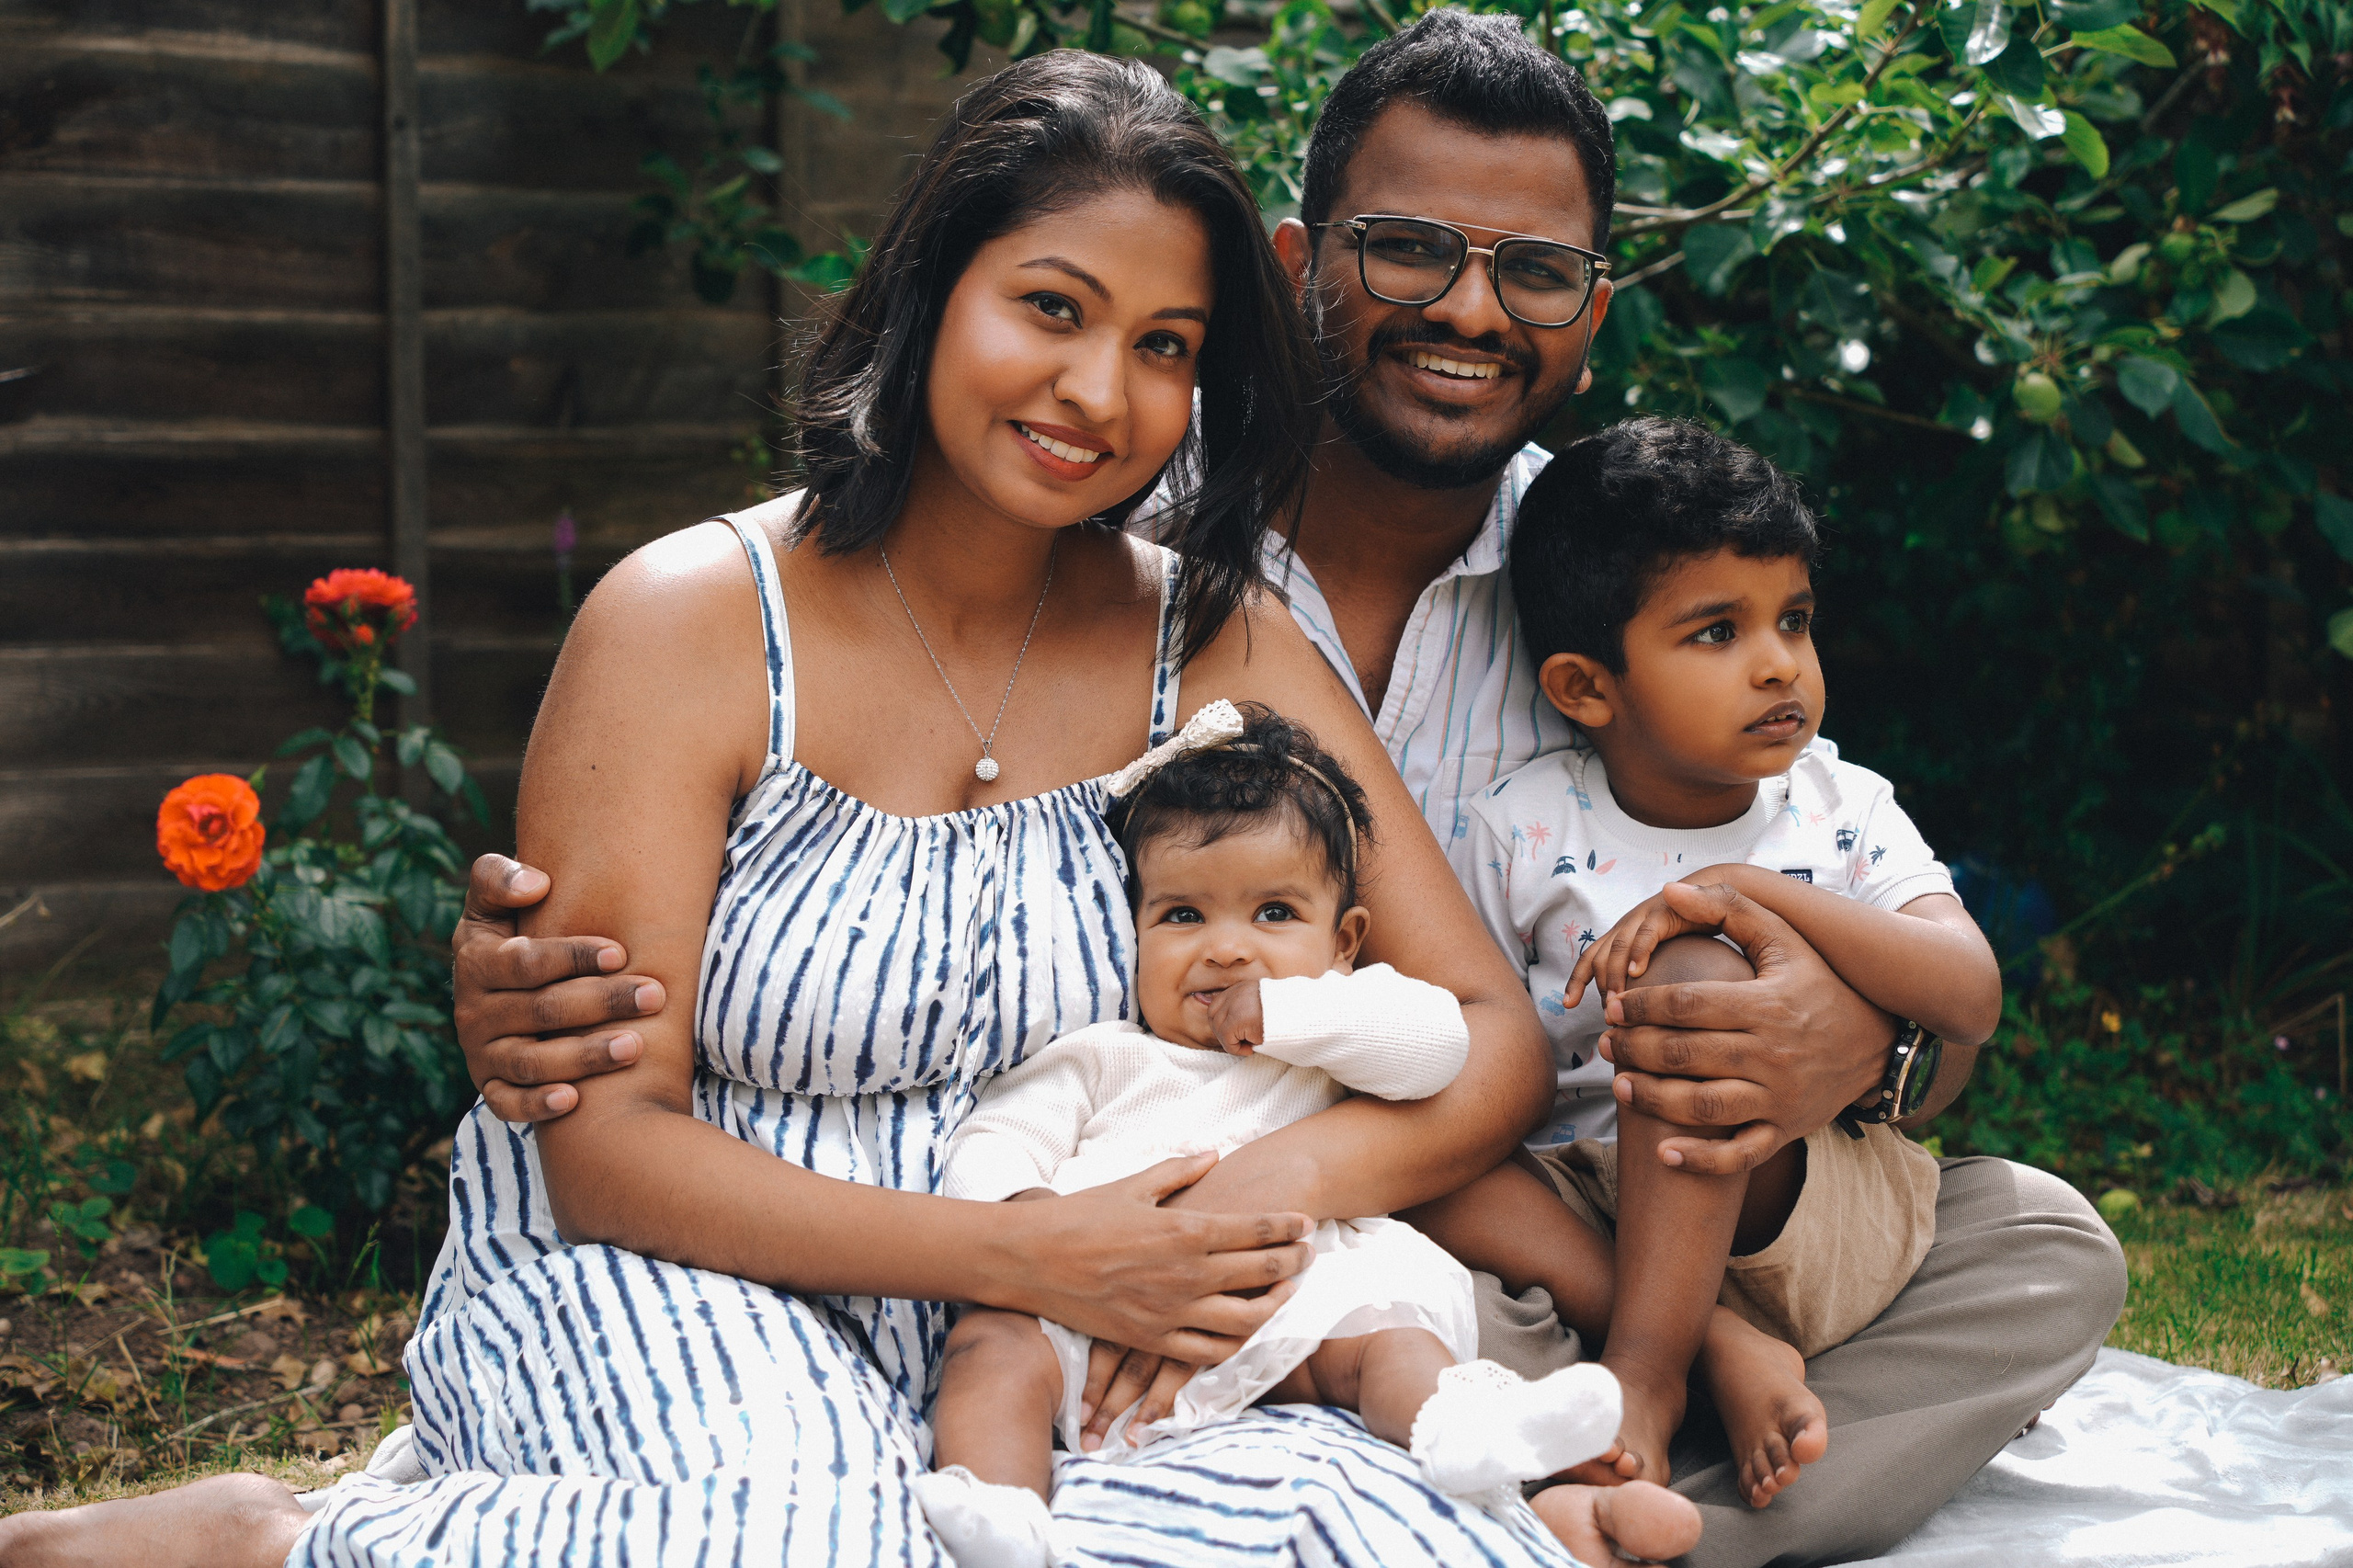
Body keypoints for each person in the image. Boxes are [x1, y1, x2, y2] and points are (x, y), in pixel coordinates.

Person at [443, 12, 2127, 1566]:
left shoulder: (1612, 569)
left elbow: (1784, 877)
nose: (1470, 312)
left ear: (1588, 312)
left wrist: (1885, 1041)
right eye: (1411, 249)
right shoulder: (1080, 523)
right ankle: (1569, 1498)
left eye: (1530, 271)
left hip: (1438, 1227)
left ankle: (1576, 1465)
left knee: (2038, 1250)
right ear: (1307, 271)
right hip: (1084, 1246)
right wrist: (1070, 1248)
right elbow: (619, 1093)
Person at [0, 51, 1588, 1568]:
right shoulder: (687, 623)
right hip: (681, 1266)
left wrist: (1217, 1210)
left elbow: (1489, 1036)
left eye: (1166, 345)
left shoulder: (1220, 640)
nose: (1101, 390)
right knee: (821, 1535)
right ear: (930, 292)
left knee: (1375, 1525)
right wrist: (1022, 1251)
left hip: (1059, 1327)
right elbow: (606, 1152)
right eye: (1051, 307)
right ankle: (280, 1541)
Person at [915, 699, 1703, 1568]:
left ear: (1346, 941)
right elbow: (998, 1139)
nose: (1226, 950)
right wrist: (1035, 1216)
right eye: (1183, 917)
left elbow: (1438, 1049)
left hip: (1304, 1303)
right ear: (1128, 935)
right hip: (1097, 1305)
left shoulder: (1333, 1045)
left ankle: (1463, 1434)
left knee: (1391, 1344)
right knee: (991, 1346)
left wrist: (1292, 1013)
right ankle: (1000, 1510)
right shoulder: (1103, 1058)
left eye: (1274, 915)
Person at [1414, 419, 2004, 1517]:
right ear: (1589, 687)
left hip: (1785, 1197)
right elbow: (1466, 1058)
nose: (1779, 661)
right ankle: (1713, 1376)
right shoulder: (1519, 829)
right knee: (1403, 1156)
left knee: (1697, 973)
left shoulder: (1842, 807)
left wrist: (1758, 894)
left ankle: (1640, 1377)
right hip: (1578, 1210)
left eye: (1792, 618)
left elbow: (1969, 994)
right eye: (1717, 630)